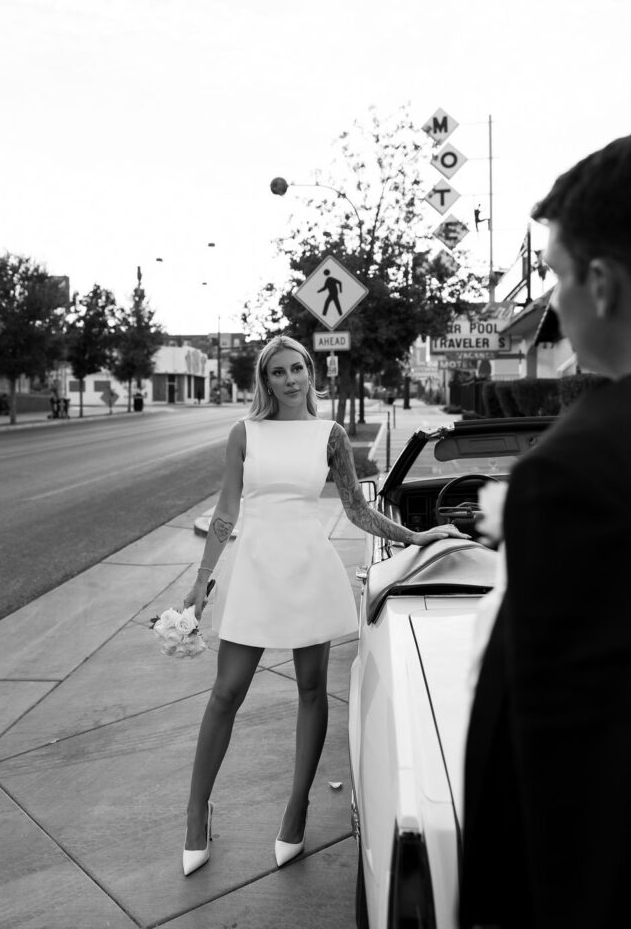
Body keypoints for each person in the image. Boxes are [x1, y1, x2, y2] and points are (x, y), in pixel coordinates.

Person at [181, 334, 468, 876]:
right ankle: (197, 813)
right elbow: (225, 509)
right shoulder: (244, 433)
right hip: (255, 568)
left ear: (311, 373)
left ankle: (296, 810)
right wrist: (201, 583)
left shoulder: (330, 435)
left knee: (313, 689)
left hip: (308, 568)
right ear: (264, 381)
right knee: (226, 692)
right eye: (278, 373)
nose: (290, 380)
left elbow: (357, 509)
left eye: (298, 370)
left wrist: (416, 537)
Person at [460, 135, 631, 929]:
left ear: (600, 286)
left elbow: (562, 759)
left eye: (558, 277)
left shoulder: (574, 474)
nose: (553, 303)